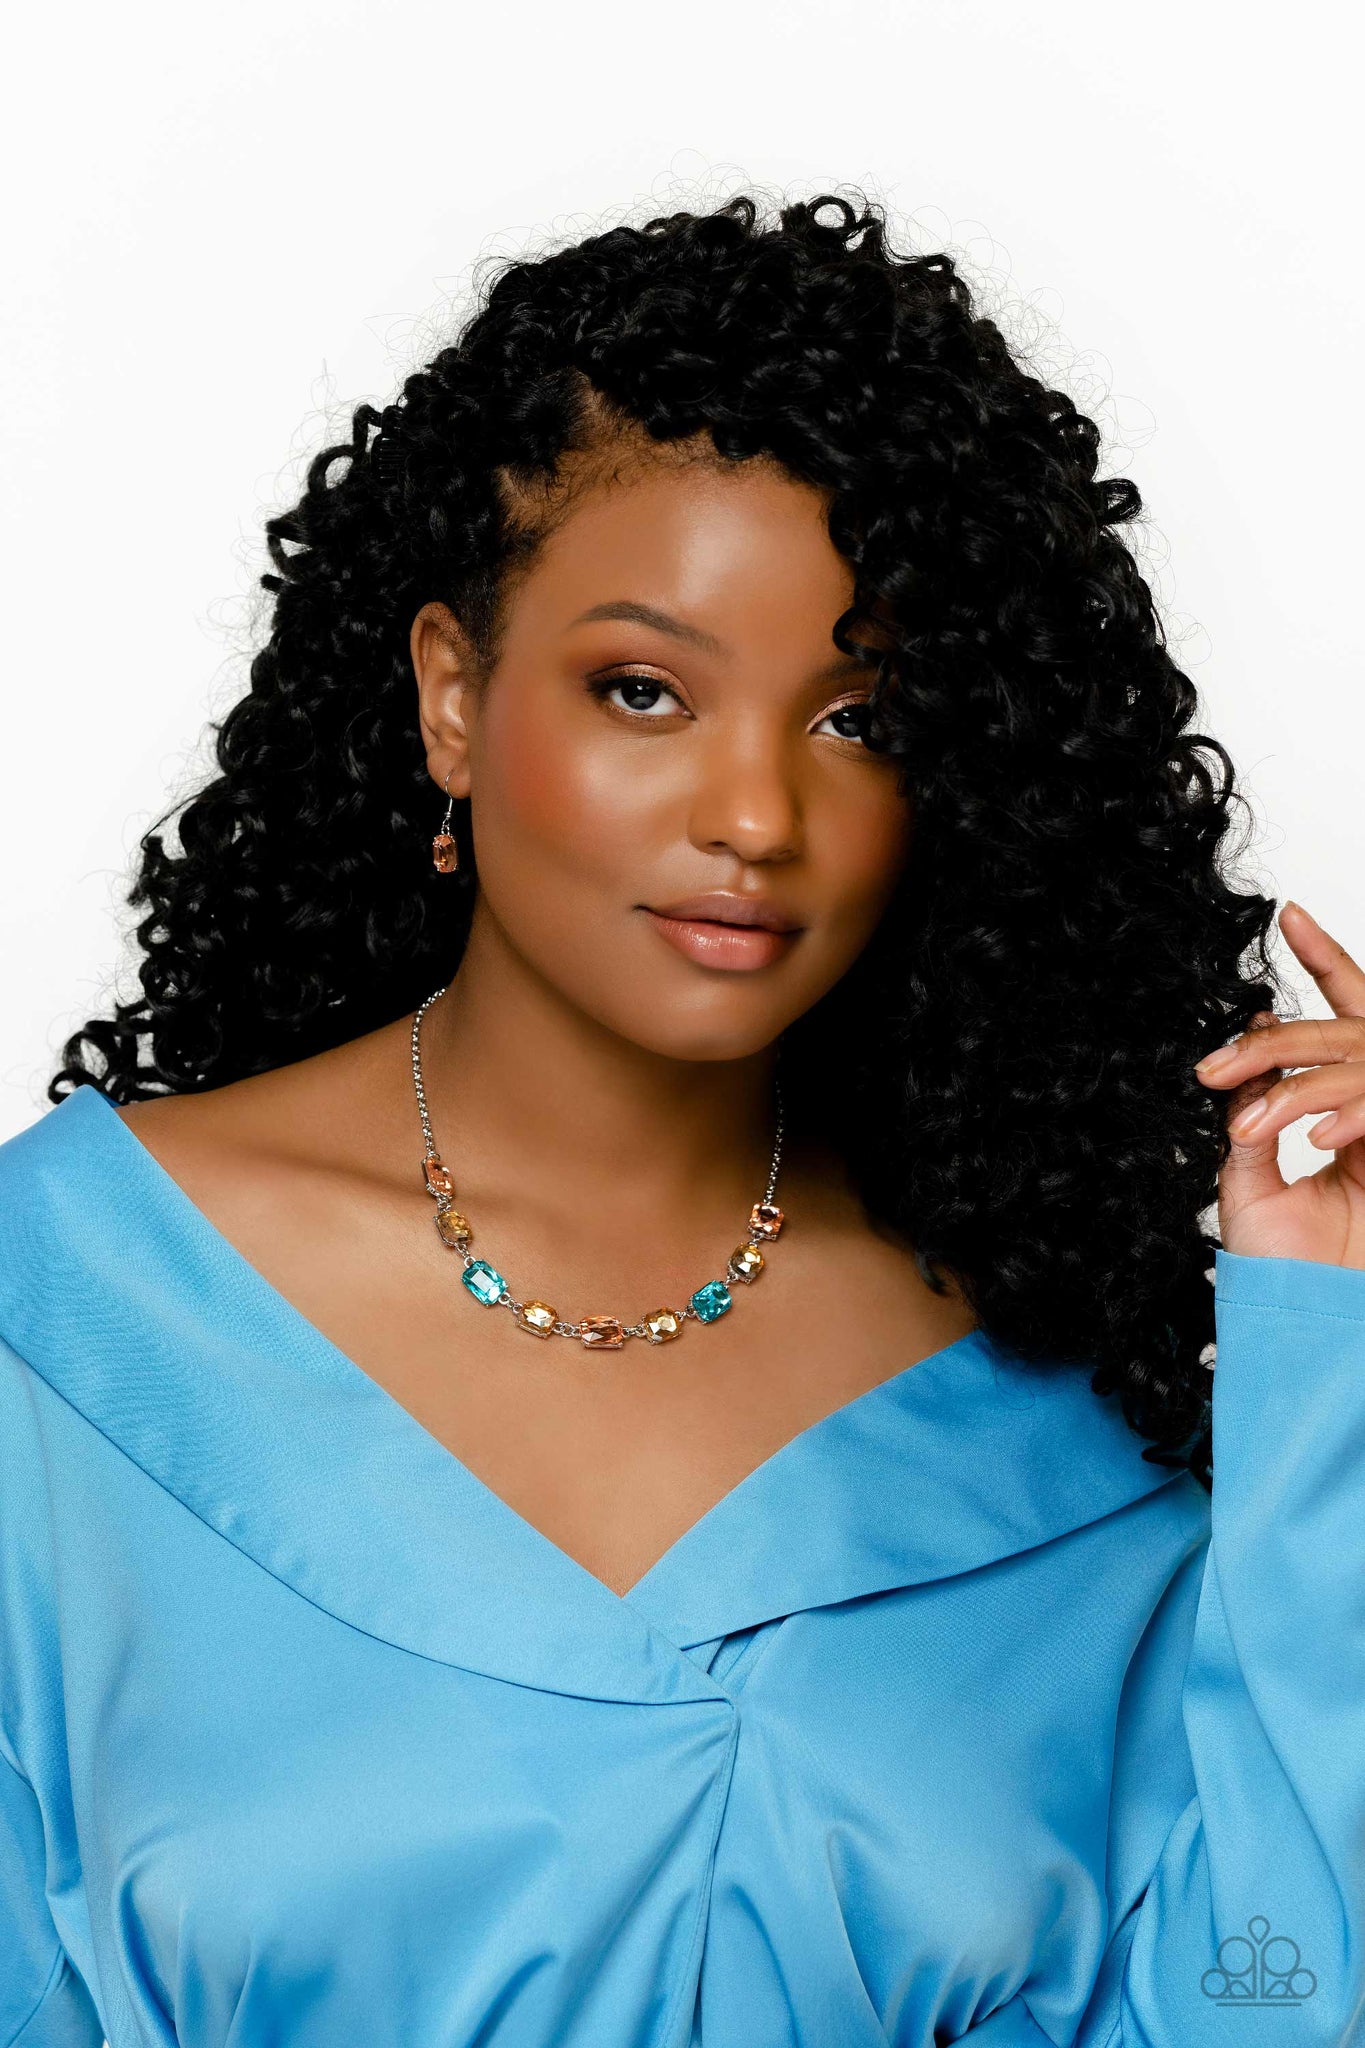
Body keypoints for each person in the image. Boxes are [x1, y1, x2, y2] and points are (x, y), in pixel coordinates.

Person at [1, 190, 1361, 2048]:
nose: (754, 817)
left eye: (856, 721)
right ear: (452, 697)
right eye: (642, 691)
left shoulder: (1056, 1435)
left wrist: (1324, 1326)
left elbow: (1259, 2005)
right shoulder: (67, 1330)